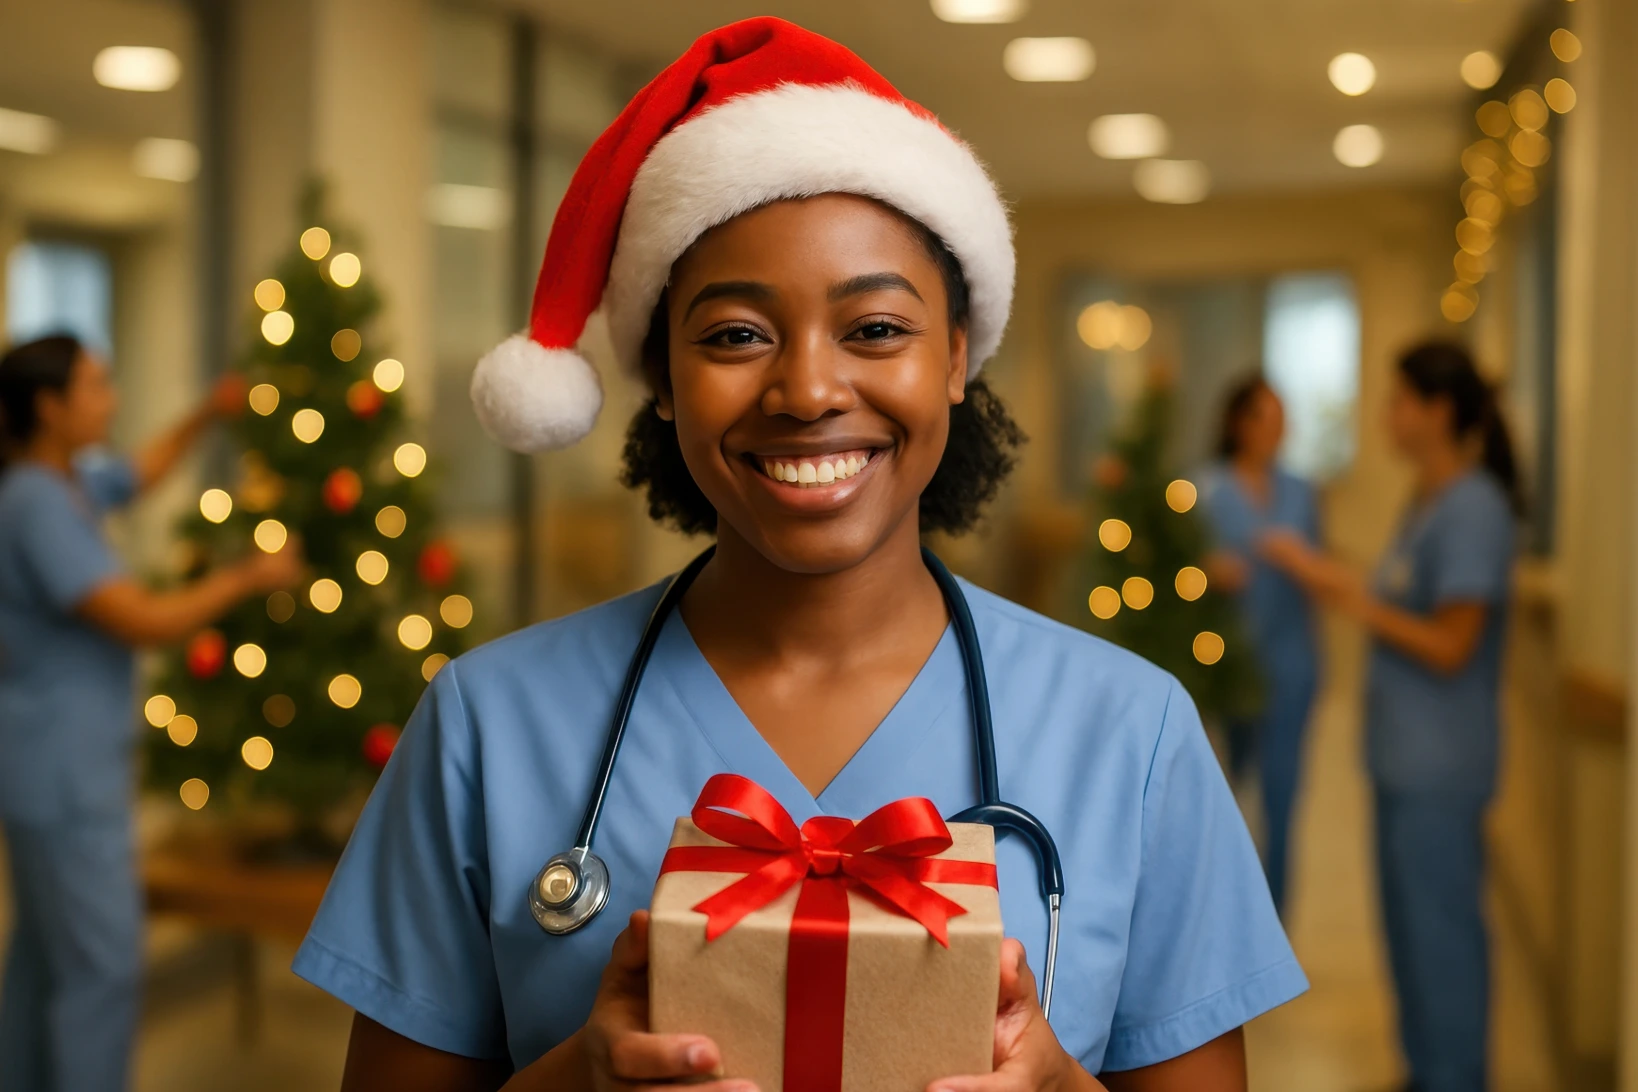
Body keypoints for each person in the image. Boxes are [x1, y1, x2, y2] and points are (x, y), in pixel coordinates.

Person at [293, 19, 1306, 1092]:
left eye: (875, 329)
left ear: (958, 356)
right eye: (735, 334)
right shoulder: (487, 728)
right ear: (663, 376)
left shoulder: (1131, 736)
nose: (810, 391)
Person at [0, 334, 302, 1092]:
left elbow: (139, 473)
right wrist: (249, 576)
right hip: (61, 779)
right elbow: (141, 618)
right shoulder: (35, 505)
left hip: (50, 771)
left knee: (46, 958)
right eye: (97, 385)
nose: (113, 398)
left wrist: (208, 411)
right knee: (101, 967)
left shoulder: (66, 481)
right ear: (49, 406)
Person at [1264, 341, 1518, 1092]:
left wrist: (1349, 598)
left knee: (1442, 938)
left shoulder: (1474, 507)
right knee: (1409, 936)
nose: (1386, 416)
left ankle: (1455, 1077)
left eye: (1399, 401)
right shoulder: (1429, 502)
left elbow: (1450, 642)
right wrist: (1333, 575)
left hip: (1441, 765)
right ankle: (1424, 1070)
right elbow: (1403, 595)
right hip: (1403, 758)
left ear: (1438, 412)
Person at [1197, 376, 1321, 916]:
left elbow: (1321, 574)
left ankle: (1275, 919)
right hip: (1226, 665)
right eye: (1263, 418)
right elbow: (1175, 577)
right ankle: (1226, 912)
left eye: (1280, 418)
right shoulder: (1204, 490)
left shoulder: (1302, 493)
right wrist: (1207, 572)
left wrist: (1302, 564)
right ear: (1237, 424)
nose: (1274, 431)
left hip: (1291, 661)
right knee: (1224, 793)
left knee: (1283, 792)